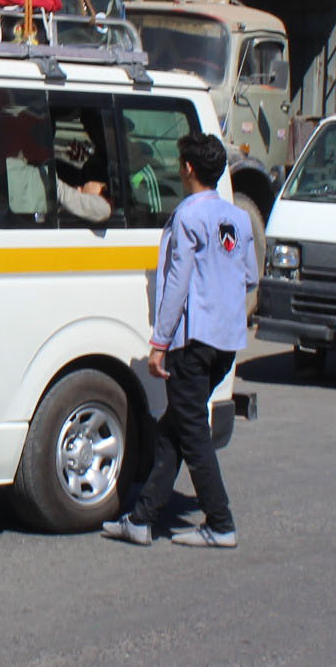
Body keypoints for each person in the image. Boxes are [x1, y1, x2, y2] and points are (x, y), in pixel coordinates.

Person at [103, 133, 256, 548]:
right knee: (174, 428)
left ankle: (220, 523)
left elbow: (175, 285)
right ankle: (141, 518)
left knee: (192, 434)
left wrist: (159, 343)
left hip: (192, 341)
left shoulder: (186, 217)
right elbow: (250, 278)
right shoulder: (238, 219)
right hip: (225, 342)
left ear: (187, 168)